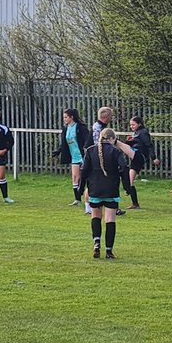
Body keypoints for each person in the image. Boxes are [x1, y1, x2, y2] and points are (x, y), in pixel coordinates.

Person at [79, 127, 131, 259]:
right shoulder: (116, 151)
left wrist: (80, 189)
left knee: (95, 216)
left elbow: (84, 171)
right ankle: (109, 250)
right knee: (110, 219)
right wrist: (127, 187)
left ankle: (96, 243)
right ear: (112, 139)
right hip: (111, 189)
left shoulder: (90, 151)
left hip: (94, 189)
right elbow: (124, 168)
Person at [58, 109, 92, 207]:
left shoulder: (80, 127)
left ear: (71, 117)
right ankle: (77, 199)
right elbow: (64, 142)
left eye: (66, 117)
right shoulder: (66, 128)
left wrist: (86, 148)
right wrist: (59, 150)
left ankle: (90, 197)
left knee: (86, 176)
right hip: (74, 156)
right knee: (75, 176)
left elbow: (87, 139)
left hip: (83, 155)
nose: (64, 119)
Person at [125, 116, 159, 209]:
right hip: (135, 157)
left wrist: (153, 157)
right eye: (130, 125)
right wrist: (128, 142)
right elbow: (136, 143)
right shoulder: (136, 133)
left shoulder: (143, 132)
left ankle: (134, 201)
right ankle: (133, 200)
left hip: (140, 157)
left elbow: (148, 145)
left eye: (133, 124)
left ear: (139, 124)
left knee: (130, 179)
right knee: (130, 179)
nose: (131, 126)